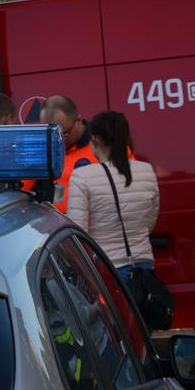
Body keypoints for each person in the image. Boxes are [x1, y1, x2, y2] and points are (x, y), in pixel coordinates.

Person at [67, 111, 158, 284]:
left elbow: (78, 234)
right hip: (144, 267)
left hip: (107, 269)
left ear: (94, 140)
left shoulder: (81, 176)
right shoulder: (146, 171)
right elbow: (149, 223)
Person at [38, 95, 98, 213]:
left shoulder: (105, 144)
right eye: (49, 134)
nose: (56, 141)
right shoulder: (38, 150)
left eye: (63, 134)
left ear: (78, 120)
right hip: (54, 227)